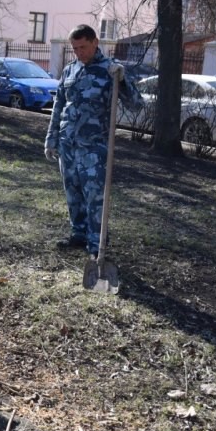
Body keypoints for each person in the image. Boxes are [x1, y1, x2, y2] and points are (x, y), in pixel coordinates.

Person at [44, 24, 143, 258]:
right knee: (73, 193)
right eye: (75, 48)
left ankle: (97, 243)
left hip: (94, 148)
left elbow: (136, 105)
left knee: (95, 197)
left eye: (83, 47)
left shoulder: (110, 70)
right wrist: (51, 139)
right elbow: (59, 107)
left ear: (95, 42)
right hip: (68, 146)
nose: (79, 53)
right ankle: (78, 234)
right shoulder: (70, 71)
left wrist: (123, 80)